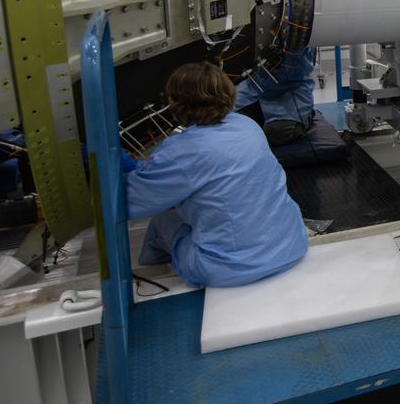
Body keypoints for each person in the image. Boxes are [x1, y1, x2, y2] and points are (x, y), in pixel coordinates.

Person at [126, 61, 308, 288]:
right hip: (291, 244)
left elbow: (127, 204)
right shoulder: (247, 125)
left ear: (175, 103)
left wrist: (122, 166)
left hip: (231, 269)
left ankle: (153, 278)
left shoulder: (181, 150)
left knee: (163, 220)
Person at [234, 46, 318, 147]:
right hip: (255, 87)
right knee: (228, 122)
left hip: (290, 95)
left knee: (276, 132)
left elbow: (295, 72)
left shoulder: (298, 35)